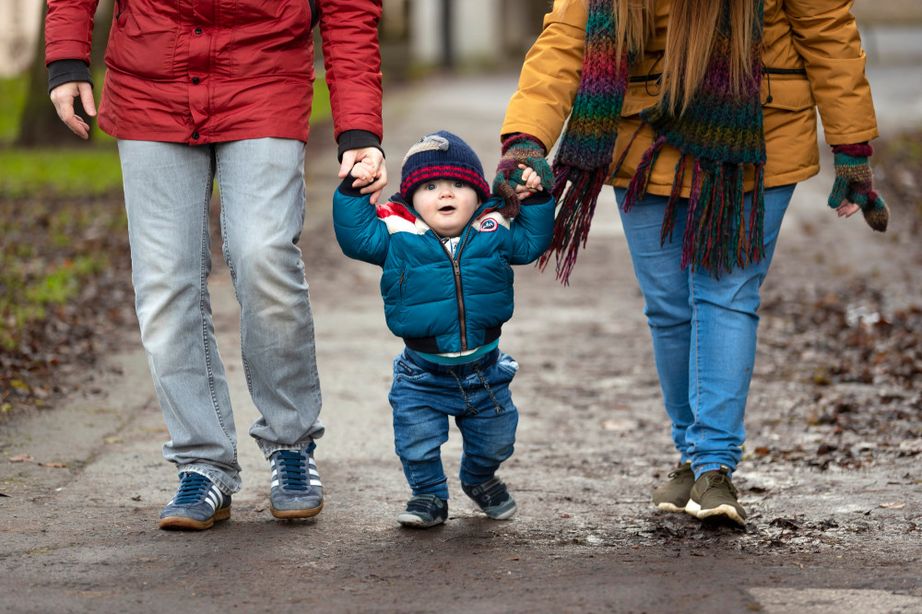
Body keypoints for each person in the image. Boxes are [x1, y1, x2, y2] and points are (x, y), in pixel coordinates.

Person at [497, 0, 887, 526]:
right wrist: (526, 139)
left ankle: (713, 464)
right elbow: (567, 36)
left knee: (726, 293)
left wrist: (852, 145)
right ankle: (692, 452)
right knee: (668, 304)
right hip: (642, 133)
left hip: (753, 134)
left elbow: (826, 28)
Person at [45, 0, 387, 530]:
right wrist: (66, 57)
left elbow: (349, 10)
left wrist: (359, 129)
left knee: (263, 254)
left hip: (262, 77)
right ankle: (202, 462)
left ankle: (291, 446)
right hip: (150, 82)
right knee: (164, 280)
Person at [332, 131, 554, 528]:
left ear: (479, 194)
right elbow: (355, 237)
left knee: (497, 440)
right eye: (430, 186)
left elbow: (532, 242)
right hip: (422, 373)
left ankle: (480, 478)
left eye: (458, 185)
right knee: (416, 442)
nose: (445, 194)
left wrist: (534, 199)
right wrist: (353, 191)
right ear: (411, 198)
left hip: (485, 372)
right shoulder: (396, 235)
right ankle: (429, 495)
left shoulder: (495, 229)